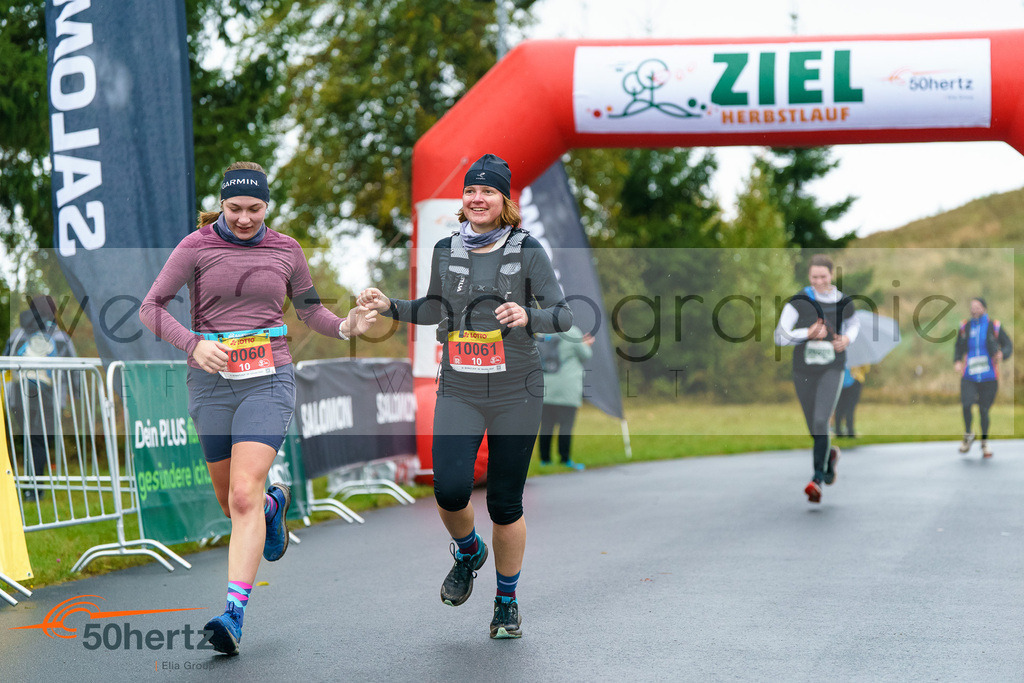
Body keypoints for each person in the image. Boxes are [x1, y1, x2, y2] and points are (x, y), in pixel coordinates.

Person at [140, 161, 378, 656]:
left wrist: (349, 325)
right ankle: (276, 505)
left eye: (254, 208)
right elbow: (151, 306)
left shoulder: (286, 249)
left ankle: (233, 613)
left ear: (268, 205)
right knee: (233, 499)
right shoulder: (197, 246)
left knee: (243, 494)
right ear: (220, 205)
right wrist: (192, 344)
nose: (245, 218)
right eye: (234, 209)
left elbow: (311, 309)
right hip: (210, 381)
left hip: (268, 378)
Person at [357, 153, 572, 639]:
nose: (478, 199)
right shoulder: (444, 248)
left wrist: (529, 317)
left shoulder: (527, 249)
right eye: (471, 191)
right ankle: (470, 551)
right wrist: (387, 305)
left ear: (504, 200)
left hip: (518, 388)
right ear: (464, 199)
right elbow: (434, 307)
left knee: (504, 502)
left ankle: (506, 601)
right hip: (461, 383)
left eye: (489, 192)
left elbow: (563, 314)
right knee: (450, 489)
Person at [774, 254, 860, 504]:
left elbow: (855, 325)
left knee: (822, 421)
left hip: (832, 368)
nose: (819, 281)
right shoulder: (798, 302)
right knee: (814, 427)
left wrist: (847, 339)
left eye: (823, 276)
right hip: (803, 371)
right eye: (814, 277)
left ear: (832, 275)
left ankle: (817, 479)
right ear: (809, 277)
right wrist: (805, 333)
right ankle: (830, 455)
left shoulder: (844, 302)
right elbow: (779, 337)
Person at [3, 295, 78, 502]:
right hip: (47, 394)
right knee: (39, 440)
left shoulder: (17, 334)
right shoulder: (61, 337)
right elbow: (75, 368)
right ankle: (34, 490)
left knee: (30, 437)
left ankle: (29, 487)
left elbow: (6, 361)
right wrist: (75, 394)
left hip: (18, 393)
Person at [954, 297, 1012, 458]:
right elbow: (958, 346)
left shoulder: (994, 326)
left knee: (984, 410)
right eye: (972, 307)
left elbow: (1008, 345)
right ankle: (968, 434)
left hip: (989, 376)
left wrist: (1002, 354)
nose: (974, 309)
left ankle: (984, 442)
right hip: (969, 375)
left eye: (977, 306)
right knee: (966, 404)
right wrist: (957, 361)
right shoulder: (965, 327)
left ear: (984, 308)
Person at [537, 325, 594, 470]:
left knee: (546, 425)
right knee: (566, 425)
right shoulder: (573, 332)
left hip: (546, 386)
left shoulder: (543, 332)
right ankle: (565, 459)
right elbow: (585, 355)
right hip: (567, 387)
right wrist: (585, 344)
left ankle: (545, 460)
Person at [832, 365, 868, 438]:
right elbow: (866, 368)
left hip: (840, 380)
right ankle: (850, 431)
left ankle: (838, 431)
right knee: (850, 408)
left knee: (839, 407)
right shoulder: (858, 355)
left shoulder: (839, 354)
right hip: (854, 381)